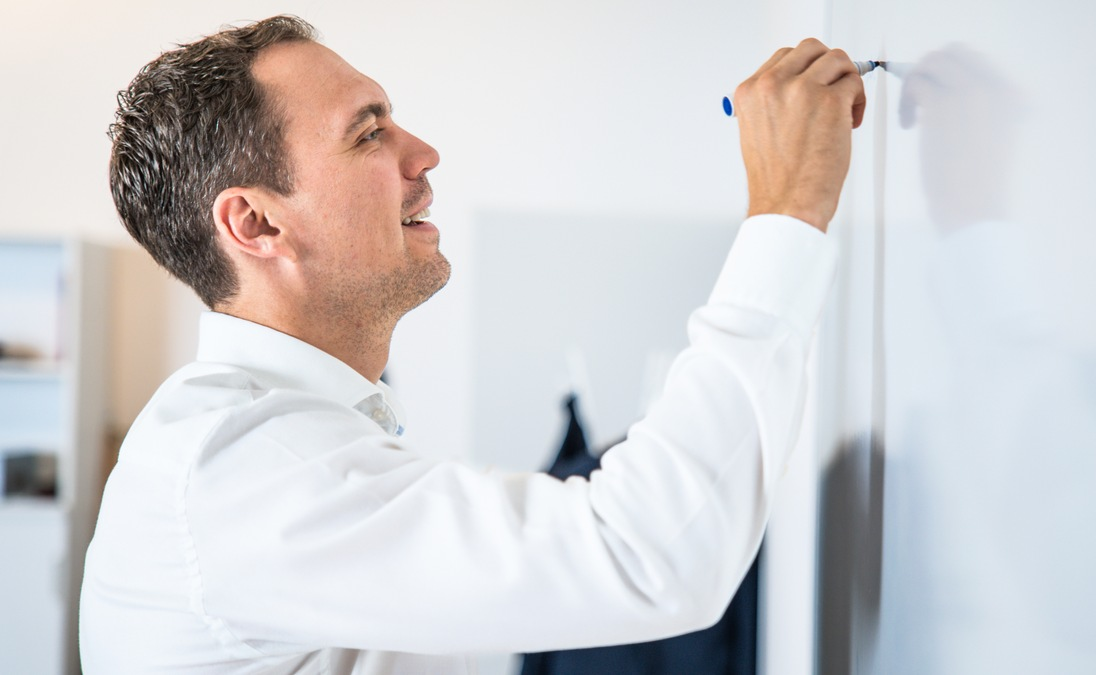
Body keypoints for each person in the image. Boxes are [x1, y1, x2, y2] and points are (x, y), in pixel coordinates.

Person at [80, 15, 865, 674]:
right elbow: (645, 551)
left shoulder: (277, 437)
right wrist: (789, 210)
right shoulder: (241, 467)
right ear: (256, 223)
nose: (422, 155)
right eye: (368, 134)